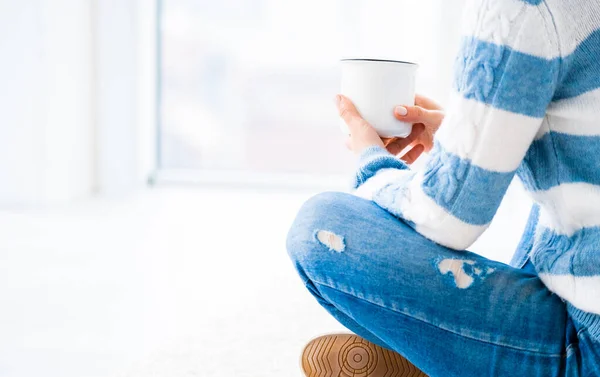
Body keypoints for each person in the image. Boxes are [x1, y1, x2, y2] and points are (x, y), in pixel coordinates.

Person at [286, 0, 600, 376]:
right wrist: (473, 140)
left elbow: (447, 219)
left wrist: (371, 160)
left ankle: (455, 356)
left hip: (587, 350)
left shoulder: (522, 8)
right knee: (553, 210)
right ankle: (459, 351)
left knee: (319, 227)